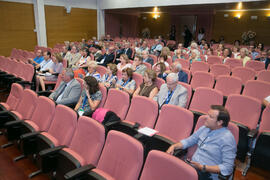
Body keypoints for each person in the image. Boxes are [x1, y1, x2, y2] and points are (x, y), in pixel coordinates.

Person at [167, 105, 237, 180]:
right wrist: (174, 146)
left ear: (219, 122)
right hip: (192, 167)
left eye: (210, 116)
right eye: (207, 114)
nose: (206, 117)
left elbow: (227, 167)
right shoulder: (204, 128)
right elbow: (189, 141)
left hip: (208, 174)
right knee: (168, 171)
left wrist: (203, 167)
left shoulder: (228, 139)